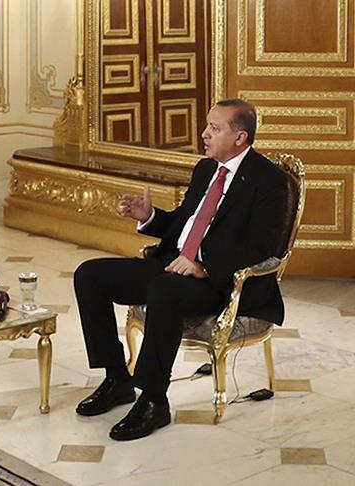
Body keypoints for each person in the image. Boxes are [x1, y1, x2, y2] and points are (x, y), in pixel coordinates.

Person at [73, 99, 288, 441]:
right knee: (90, 276)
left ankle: (154, 400)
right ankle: (117, 379)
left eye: (214, 128)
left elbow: (262, 246)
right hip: (174, 265)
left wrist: (204, 266)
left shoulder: (269, 181)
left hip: (220, 282)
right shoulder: (205, 169)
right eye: (207, 125)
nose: (204, 134)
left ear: (240, 137)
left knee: (163, 290)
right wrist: (149, 216)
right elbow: (185, 224)